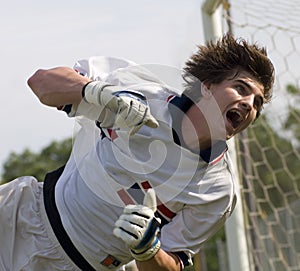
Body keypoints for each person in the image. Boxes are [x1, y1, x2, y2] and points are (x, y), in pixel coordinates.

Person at [0, 34, 274, 271]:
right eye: (241, 88)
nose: (249, 104)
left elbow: (169, 265)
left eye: (257, 103)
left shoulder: (219, 191)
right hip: (21, 214)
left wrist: (147, 248)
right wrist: (96, 92)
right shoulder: (141, 90)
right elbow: (41, 82)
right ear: (207, 85)